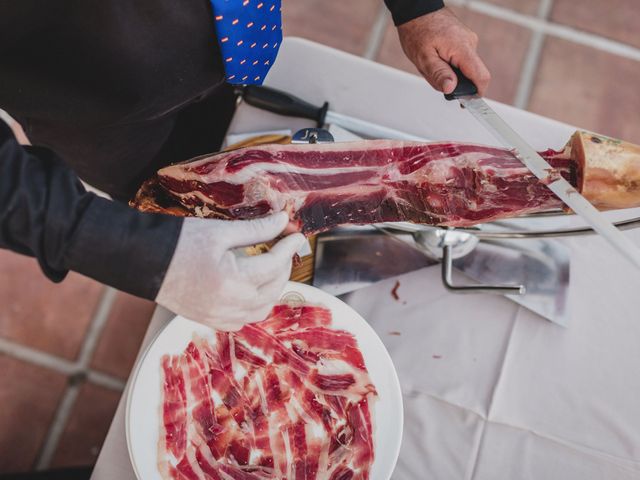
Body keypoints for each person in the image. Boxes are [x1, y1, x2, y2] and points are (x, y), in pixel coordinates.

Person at [0, 0, 490, 333]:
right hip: (95, 106)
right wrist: (132, 250)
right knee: (183, 202)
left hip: (231, 42)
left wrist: (417, 7)